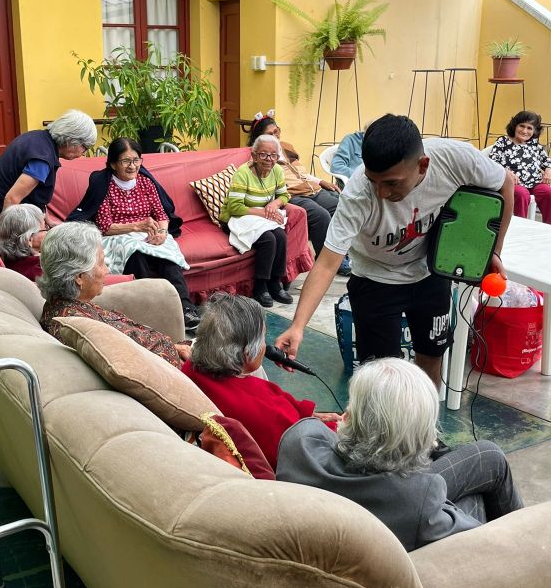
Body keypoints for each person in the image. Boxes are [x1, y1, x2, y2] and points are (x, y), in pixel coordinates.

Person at [275, 114, 514, 388]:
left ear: (423, 165)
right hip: (375, 280)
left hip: (429, 275)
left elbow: (506, 182)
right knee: (379, 376)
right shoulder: (357, 195)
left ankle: (425, 428)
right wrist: (298, 325)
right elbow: (327, 264)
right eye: (373, 180)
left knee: (431, 359)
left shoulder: (454, 159)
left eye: (392, 183)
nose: (381, 193)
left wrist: (493, 250)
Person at [277, 358, 523, 552]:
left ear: (349, 415)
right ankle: (530, 555)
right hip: (395, 511)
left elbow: (339, 443)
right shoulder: (420, 500)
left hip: (352, 497)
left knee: (489, 455)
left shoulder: (299, 442)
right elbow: (486, 542)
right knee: (478, 499)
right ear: (426, 438)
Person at [181, 293, 339, 469]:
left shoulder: (192, 366)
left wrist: (310, 415)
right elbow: (307, 449)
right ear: (247, 353)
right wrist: (337, 427)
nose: (266, 347)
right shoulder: (258, 409)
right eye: (263, 339)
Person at [67, 136, 200, 333]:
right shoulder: (104, 185)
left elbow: (162, 214)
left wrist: (162, 233)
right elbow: (105, 226)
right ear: (113, 164)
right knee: (136, 255)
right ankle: (152, 308)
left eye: (136, 160)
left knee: (166, 257)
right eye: (125, 161)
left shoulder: (146, 183)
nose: (132, 166)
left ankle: (186, 307)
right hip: (118, 237)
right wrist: (137, 227)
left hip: (147, 232)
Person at [38, 222, 190, 367]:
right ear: (79, 277)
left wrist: (175, 347)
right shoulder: (83, 329)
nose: (107, 270)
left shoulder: (68, 304)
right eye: (101, 263)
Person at [248, 112, 351, 277]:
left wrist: (319, 181)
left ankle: (340, 254)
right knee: (321, 216)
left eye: (277, 131)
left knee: (341, 205)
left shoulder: (285, 147)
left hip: (311, 189)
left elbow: (301, 172)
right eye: (270, 134)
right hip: (293, 195)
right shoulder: (260, 155)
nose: (275, 136)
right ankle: (329, 262)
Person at [0, 109, 97, 229]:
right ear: (73, 140)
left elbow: (37, 196)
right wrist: (5, 235)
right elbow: (12, 198)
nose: (84, 153)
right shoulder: (42, 160)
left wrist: (48, 221)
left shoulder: (39, 138)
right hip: (1, 214)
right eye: (85, 147)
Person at [220, 134, 293, 308]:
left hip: (259, 218)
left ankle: (275, 283)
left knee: (280, 236)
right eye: (263, 155)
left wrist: (275, 203)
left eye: (273, 155)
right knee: (268, 239)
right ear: (254, 156)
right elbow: (235, 208)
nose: (269, 159)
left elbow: (284, 195)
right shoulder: (243, 173)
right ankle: (260, 287)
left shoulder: (277, 171)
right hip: (237, 217)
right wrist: (265, 213)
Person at [490, 110, 551, 224]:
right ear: (514, 126)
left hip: (535, 182)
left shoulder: (534, 144)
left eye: (529, 128)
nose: (524, 131)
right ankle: (520, 225)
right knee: (521, 194)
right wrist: (506, 172)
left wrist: (548, 170)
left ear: (534, 131)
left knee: (548, 192)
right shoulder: (503, 141)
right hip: (513, 182)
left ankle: (548, 228)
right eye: (521, 126)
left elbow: (547, 161)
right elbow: (493, 162)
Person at [0, 203, 48, 280]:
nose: (47, 231)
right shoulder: (42, 269)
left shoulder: (2, 260)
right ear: (29, 239)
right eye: (44, 227)